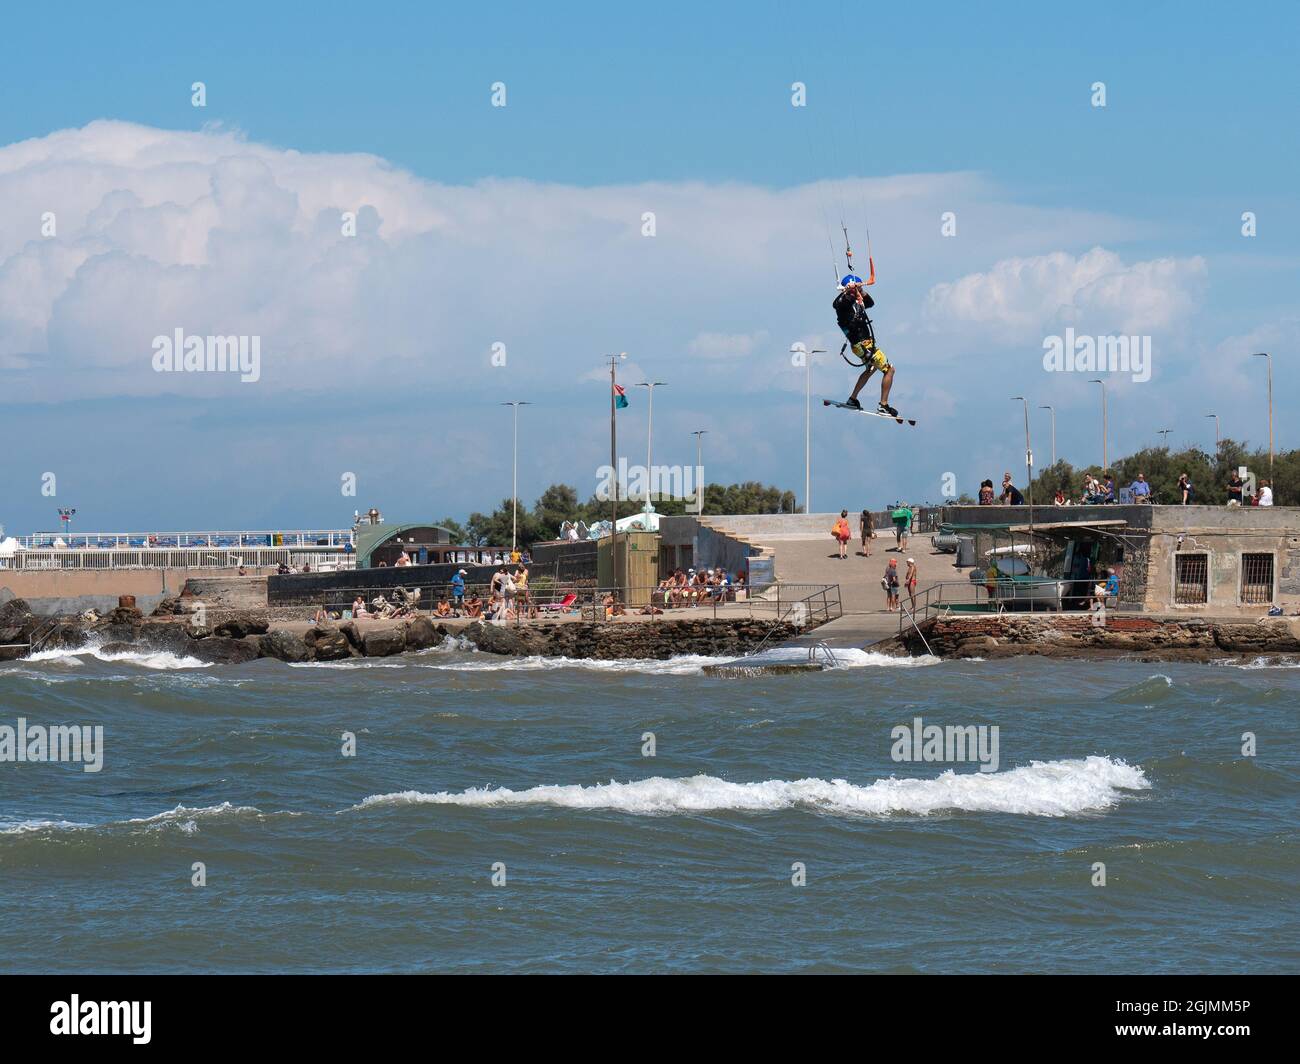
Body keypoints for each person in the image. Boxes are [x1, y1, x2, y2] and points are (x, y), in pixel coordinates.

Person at [832, 276, 897, 416]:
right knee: (889, 370)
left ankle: (852, 399)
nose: (859, 292)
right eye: (856, 289)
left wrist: (860, 289)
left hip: (863, 345)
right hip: (863, 345)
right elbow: (837, 303)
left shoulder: (856, 302)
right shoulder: (842, 304)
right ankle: (883, 406)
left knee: (871, 369)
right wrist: (849, 291)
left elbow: (870, 303)